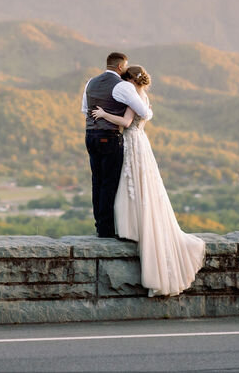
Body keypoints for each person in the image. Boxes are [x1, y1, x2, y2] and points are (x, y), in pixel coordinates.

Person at [91, 65, 205, 295]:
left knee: (131, 183)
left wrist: (104, 115)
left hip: (133, 142)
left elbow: (125, 122)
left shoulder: (134, 96)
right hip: (141, 142)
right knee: (140, 185)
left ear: (131, 79)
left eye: (124, 79)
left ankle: (132, 227)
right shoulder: (143, 95)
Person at [81, 52, 151, 239]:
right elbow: (144, 112)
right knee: (109, 183)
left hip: (90, 135)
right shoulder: (123, 86)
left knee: (97, 182)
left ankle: (100, 225)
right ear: (120, 67)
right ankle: (106, 229)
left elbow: (84, 110)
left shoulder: (90, 83)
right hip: (109, 137)